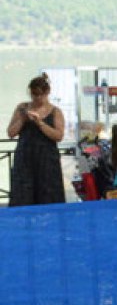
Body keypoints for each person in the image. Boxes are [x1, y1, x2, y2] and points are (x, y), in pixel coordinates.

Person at [7, 74, 66, 207]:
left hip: (47, 159)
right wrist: (22, 119)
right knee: (23, 194)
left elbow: (58, 136)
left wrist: (40, 123)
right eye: (34, 94)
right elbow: (11, 132)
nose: (37, 98)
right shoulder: (22, 108)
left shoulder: (55, 111)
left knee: (48, 194)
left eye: (40, 95)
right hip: (25, 158)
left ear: (47, 92)